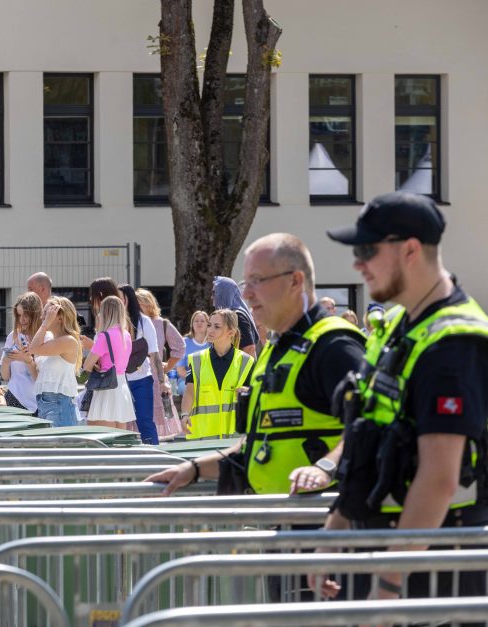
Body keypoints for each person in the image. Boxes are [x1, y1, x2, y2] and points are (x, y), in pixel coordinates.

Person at [313, 192, 488, 609]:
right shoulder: (396, 324)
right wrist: (332, 536)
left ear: (410, 249)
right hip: (388, 551)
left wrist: (388, 590)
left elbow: (439, 478)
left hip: (434, 574)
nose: (358, 263)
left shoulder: (454, 342)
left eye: (367, 250)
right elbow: (365, 435)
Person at [146, 233, 365, 497]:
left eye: (258, 281)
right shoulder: (277, 349)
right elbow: (258, 443)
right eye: (245, 283)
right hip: (284, 514)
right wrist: (193, 470)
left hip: (324, 517)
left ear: (295, 280)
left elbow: (370, 428)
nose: (246, 294)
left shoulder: (334, 345)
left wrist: (325, 467)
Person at [181, 309, 254, 439]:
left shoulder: (246, 362)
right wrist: (185, 414)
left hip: (234, 438)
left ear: (231, 332)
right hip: (202, 437)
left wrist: (248, 391)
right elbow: (189, 392)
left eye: (217, 327)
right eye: (209, 325)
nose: (210, 330)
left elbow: (256, 393)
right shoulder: (196, 360)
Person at [119, 284, 170, 445]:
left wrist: (162, 382)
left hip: (141, 380)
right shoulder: (113, 322)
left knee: (144, 420)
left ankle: (154, 455)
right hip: (119, 380)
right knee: (121, 423)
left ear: (127, 299)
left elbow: (154, 354)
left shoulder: (144, 322)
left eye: (119, 297)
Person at [136, 288, 185, 437]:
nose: (136, 307)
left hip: (156, 377)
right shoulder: (132, 323)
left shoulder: (161, 323)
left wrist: (168, 366)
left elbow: (180, 346)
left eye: (139, 304)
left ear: (149, 304)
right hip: (135, 375)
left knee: (155, 420)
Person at [82, 295, 136, 429]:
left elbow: (87, 366)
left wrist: (98, 366)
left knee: (100, 436)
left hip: (106, 387)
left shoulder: (104, 336)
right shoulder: (127, 335)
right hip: (122, 385)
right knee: (120, 438)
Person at [29, 296, 83, 427]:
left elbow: (34, 348)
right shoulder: (49, 339)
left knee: (59, 447)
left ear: (60, 317)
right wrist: (27, 361)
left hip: (59, 404)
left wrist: (45, 324)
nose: (42, 317)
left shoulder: (68, 341)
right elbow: (39, 377)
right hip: (45, 403)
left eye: (47, 313)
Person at [0, 292, 44, 412]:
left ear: (35, 314)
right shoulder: (13, 336)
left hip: (41, 402)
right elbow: (5, 376)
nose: (22, 319)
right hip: (15, 398)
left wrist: (27, 360)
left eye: (26, 315)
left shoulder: (46, 337)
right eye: (19, 315)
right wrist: (6, 361)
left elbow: (41, 379)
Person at [212, 276, 258, 357]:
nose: (212, 297)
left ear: (224, 292)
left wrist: (240, 369)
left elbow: (249, 348)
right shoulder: (230, 316)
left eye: (214, 293)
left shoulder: (237, 316)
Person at [175, 311, 211, 397]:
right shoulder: (184, 343)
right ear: (192, 324)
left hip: (208, 381)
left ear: (208, 324)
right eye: (196, 321)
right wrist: (196, 381)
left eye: (202, 321)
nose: (199, 323)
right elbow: (180, 370)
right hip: (186, 381)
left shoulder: (213, 343)